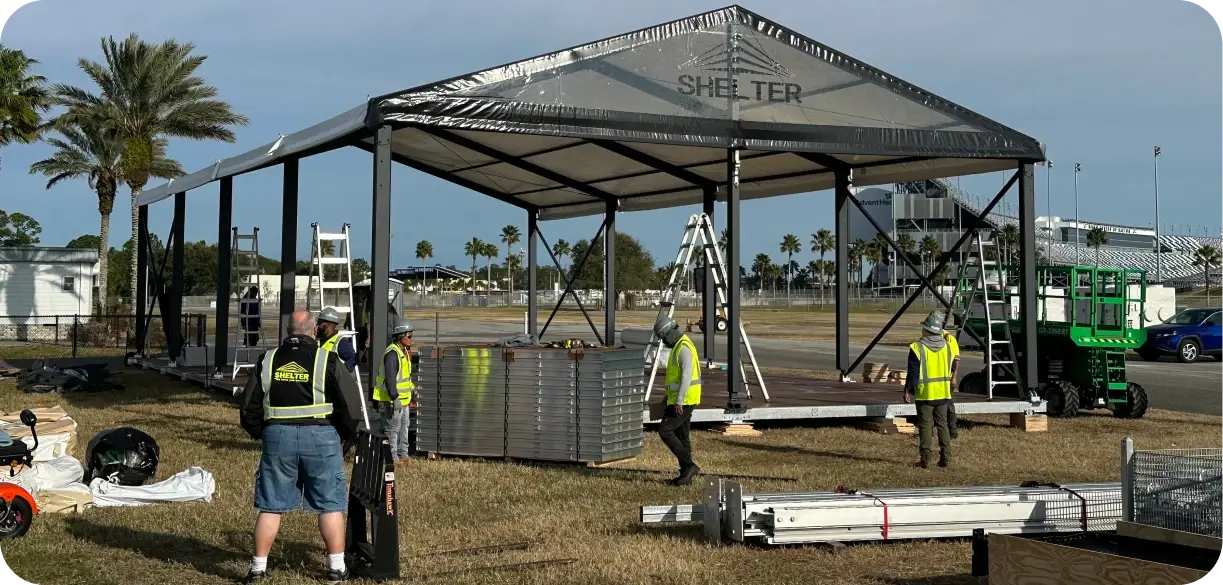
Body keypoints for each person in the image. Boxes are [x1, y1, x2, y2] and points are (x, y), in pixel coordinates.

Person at [239, 310, 365, 584]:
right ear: (314, 330)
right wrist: (340, 437)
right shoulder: (327, 360)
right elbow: (352, 409)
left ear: (288, 332)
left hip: (277, 438)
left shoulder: (268, 360)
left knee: (271, 505)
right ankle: (335, 568)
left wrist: (267, 434)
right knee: (329, 504)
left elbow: (248, 408)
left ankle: (258, 569)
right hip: (321, 438)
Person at [653, 315, 702, 486]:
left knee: (665, 431)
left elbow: (687, 376)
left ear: (672, 331)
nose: (664, 342)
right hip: (681, 399)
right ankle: (686, 475)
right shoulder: (678, 346)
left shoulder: (683, 348)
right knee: (682, 435)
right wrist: (669, 397)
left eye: (664, 337)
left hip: (685, 400)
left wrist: (679, 400)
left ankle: (689, 466)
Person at [903, 312, 955, 469]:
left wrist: (908, 390)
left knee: (925, 426)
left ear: (926, 330)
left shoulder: (917, 348)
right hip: (943, 393)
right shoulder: (947, 347)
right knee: (943, 425)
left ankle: (925, 458)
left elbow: (913, 373)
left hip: (925, 394)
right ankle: (946, 456)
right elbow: (951, 367)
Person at [374, 317, 415, 461]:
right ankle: (392, 457)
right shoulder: (392, 354)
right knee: (393, 428)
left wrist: (412, 390)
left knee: (404, 426)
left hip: (404, 399)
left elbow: (405, 377)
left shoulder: (403, 351)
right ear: (400, 336)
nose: (411, 339)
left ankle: (403, 454)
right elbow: (390, 378)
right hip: (394, 400)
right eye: (409, 336)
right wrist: (394, 397)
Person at [316, 306, 358, 372]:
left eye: (320, 322)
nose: (317, 325)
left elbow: (352, 360)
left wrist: (339, 374)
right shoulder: (316, 339)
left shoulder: (341, 343)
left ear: (328, 324)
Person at [942, 313, 962, 440]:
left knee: (948, 405)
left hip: (945, 379)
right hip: (934, 379)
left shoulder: (949, 339)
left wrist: (954, 377)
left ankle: (952, 430)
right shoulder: (927, 338)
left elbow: (956, 360)